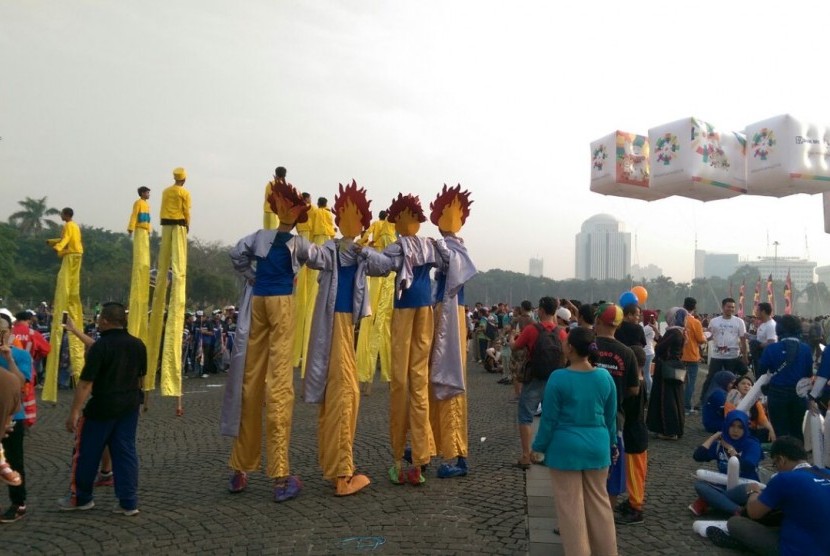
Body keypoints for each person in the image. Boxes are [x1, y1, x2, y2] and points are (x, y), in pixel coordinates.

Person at [221, 177, 311, 502]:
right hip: (281, 302)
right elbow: (321, 259)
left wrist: (252, 277)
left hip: (256, 302)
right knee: (279, 385)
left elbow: (236, 253)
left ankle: (240, 469)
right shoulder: (299, 242)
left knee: (250, 381)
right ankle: (279, 475)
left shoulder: (259, 236)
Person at [360, 193, 443, 486]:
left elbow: (382, 265)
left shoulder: (400, 245)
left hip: (406, 310)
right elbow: (447, 263)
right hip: (426, 310)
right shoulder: (430, 245)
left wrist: (363, 252)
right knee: (418, 383)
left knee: (400, 381)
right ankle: (419, 461)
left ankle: (398, 459)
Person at [303, 181, 373, 496]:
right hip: (336, 324)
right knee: (345, 394)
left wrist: (363, 250)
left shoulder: (355, 251)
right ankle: (343, 475)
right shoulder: (333, 249)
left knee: (339, 396)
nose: (349, 221)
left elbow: (384, 266)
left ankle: (334, 468)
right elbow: (311, 254)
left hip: (340, 325)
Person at [532, 327, 619, 556]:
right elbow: (611, 418)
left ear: (570, 348)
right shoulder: (604, 377)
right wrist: (612, 445)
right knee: (600, 506)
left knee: (571, 510)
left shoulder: (558, 378)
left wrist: (538, 447)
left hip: (565, 447)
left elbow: (549, 419)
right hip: (598, 446)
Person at [57, 302, 146, 515]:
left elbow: (86, 383)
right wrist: (75, 330)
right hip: (129, 405)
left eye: (99, 319)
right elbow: (141, 377)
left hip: (102, 407)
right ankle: (128, 502)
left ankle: (81, 497)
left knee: (86, 452)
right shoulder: (137, 344)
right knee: (125, 452)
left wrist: (74, 412)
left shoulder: (102, 347)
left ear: (105, 320)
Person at [427, 184, 477, 479]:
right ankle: (431, 441)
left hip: (452, 316)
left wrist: (438, 247)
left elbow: (456, 267)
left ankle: (457, 454)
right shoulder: (444, 247)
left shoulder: (456, 250)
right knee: (434, 378)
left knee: (451, 380)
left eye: (451, 213)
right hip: (438, 314)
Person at [708, 436, 830, 556]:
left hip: (799, 550)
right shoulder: (826, 473)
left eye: (775, 464)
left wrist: (753, 491)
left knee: (735, 523)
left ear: (781, 460)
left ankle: (743, 544)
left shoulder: (784, 478)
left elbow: (754, 513)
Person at [146, 167, 191, 401]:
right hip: (179, 223)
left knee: (165, 264)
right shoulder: (185, 193)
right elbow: (186, 210)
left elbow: (164, 208)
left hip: (165, 224)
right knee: (178, 268)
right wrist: (187, 225)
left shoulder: (165, 191)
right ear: (183, 178)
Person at [510, 296, 565, 470]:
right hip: (555, 379)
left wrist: (511, 337)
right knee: (551, 417)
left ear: (540, 310)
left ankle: (526, 456)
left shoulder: (531, 330)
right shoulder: (561, 332)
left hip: (534, 378)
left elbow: (515, 347)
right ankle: (548, 454)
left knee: (526, 416)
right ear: (555, 312)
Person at [593, 302, 638, 509]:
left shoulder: (588, 346)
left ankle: (579, 521)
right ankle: (605, 521)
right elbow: (633, 389)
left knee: (584, 475)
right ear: (618, 325)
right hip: (614, 420)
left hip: (585, 419)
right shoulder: (627, 353)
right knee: (611, 477)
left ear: (598, 320)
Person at [43, 207, 85, 403]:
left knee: (65, 283)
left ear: (65, 215)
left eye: (62, 214)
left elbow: (66, 241)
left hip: (70, 256)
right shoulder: (74, 226)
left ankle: (66, 300)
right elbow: (65, 239)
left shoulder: (69, 225)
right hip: (77, 255)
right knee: (73, 288)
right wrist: (53, 242)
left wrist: (59, 248)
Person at [688, 410, 762, 516]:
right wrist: (713, 437)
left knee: (750, 489)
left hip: (745, 487)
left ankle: (710, 500)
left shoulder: (751, 444)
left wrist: (731, 450)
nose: (735, 430)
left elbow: (748, 465)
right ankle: (738, 511)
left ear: (745, 428)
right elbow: (698, 456)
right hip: (724, 485)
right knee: (700, 485)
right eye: (732, 426)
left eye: (740, 427)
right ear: (726, 426)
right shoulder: (720, 444)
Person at [355, 209, 397, 393]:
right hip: (388, 276)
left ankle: (367, 380)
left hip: (376, 276)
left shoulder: (377, 226)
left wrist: (368, 245)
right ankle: (387, 379)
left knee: (372, 324)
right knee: (384, 326)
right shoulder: (392, 228)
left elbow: (362, 239)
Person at [756, 314, 814, 442]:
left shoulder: (771, 349)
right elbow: (808, 374)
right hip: (799, 394)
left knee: (780, 430)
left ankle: (782, 457)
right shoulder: (805, 349)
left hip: (777, 393)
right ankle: (798, 456)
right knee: (797, 429)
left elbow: (761, 372)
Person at [0, 315, 30, 521]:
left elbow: (20, 384)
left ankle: (18, 503)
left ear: (10, 331)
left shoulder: (20, 356)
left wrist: (9, 357)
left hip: (12, 417)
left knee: (13, 462)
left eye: (2, 331)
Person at [616, 344, 649, 525]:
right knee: (637, 471)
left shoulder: (635, 386)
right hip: (638, 432)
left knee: (634, 473)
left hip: (633, 434)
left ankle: (636, 508)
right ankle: (633, 501)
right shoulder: (642, 379)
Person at [647, 307, 687, 440]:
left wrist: (658, 344)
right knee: (673, 398)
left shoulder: (674, 332)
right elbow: (664, 343)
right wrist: (656, 330)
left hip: (666, 368)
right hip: (672, 366)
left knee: (667, 399)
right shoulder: (679, 331)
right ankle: (672, 428)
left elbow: (660, 348)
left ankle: (669, 430)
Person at [699, 298, 748, 406]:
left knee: (732, 379)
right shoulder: (714, 321)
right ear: (723, 307)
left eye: (733, 307)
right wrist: (702, 339)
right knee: (711, 377)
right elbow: (709, 335)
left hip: (732, 356)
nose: (731, 309)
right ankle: (704, 400)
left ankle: (732, 402)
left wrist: (744, 355)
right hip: (717, 355)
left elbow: (743, 339)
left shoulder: (739, 321)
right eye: (728, 306)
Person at [126, 186, 152, 349]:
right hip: (139, 230)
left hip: (145, 230)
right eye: (147, 192)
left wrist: (150, 230)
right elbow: (135, 215)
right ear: (142, 193)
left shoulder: (147, 205)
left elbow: (148, 219)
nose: (148, 194)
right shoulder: (138, 203)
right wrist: (130, 227)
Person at [724, 375, 776, 443]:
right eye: (743, 383)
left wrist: (771, 430)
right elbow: (729, 418)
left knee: (770, 431)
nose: (746, 386)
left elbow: (763, 420)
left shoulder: (756, 402)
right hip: (736, 429)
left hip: (752, 430)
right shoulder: (731, 399)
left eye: (749, 384)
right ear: (736, 386)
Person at [681, 297, 706, 414]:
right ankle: (686, 407)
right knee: (690, 384)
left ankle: (678, 405)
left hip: (679, 356)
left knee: (679, 383)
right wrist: (706, 337)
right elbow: (701, 340)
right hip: (692, 356)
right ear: (694, 307)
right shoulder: (695, 322)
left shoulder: (679, 320)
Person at [641, 309, 659, 396]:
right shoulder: (651, 326)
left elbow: (640, 335)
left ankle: (649, 393)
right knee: (647, 373)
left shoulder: (647, 327)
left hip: (647, 352)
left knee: (646, 374)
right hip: (649, 351)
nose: (641, 316)